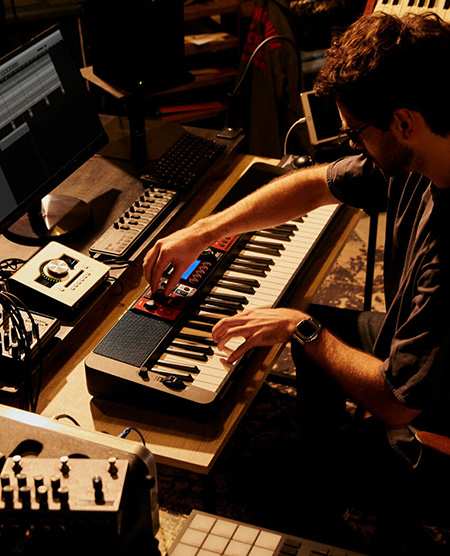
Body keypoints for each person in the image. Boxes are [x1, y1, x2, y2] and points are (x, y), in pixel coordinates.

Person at [144, 12, 450, 551]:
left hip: (434, 403)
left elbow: (399, 400)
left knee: (311, 335)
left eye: (357, 133)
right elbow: (316, 185)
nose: (355, 146)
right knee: (321, 332)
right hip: (413, 346)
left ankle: (381, 499)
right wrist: (206, 231)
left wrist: (299, 327)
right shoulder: (423, 151)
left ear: (403, 122)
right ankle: (329, 476)